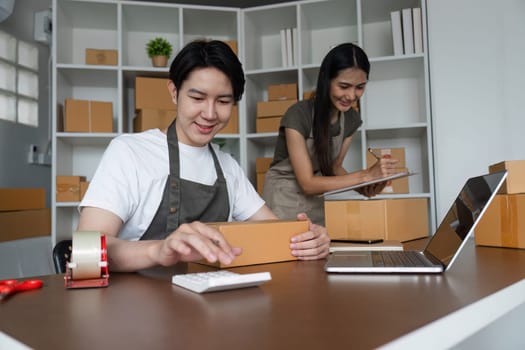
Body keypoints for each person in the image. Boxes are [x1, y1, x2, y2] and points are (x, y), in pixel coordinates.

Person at [77, 40, 330, 272]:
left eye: (222, 101)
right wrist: (159, 250)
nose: (209, 114)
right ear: (174, 92)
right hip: (137, 310)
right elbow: (84, 254)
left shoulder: (227, 166)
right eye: (197, 97)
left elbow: (276, 232)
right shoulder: (130, 152)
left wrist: (310, 239)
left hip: (210, 307)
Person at [263, 43, 399, 225]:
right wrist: (365, 175)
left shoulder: (351, 119)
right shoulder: (298, 114)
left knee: (316, 250)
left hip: (314, 198)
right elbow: (307, 183)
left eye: (359, 87)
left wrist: (364, 187)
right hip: (283, 196)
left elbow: (334, 167)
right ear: (326, 80)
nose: (351, 96)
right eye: (344, 86)